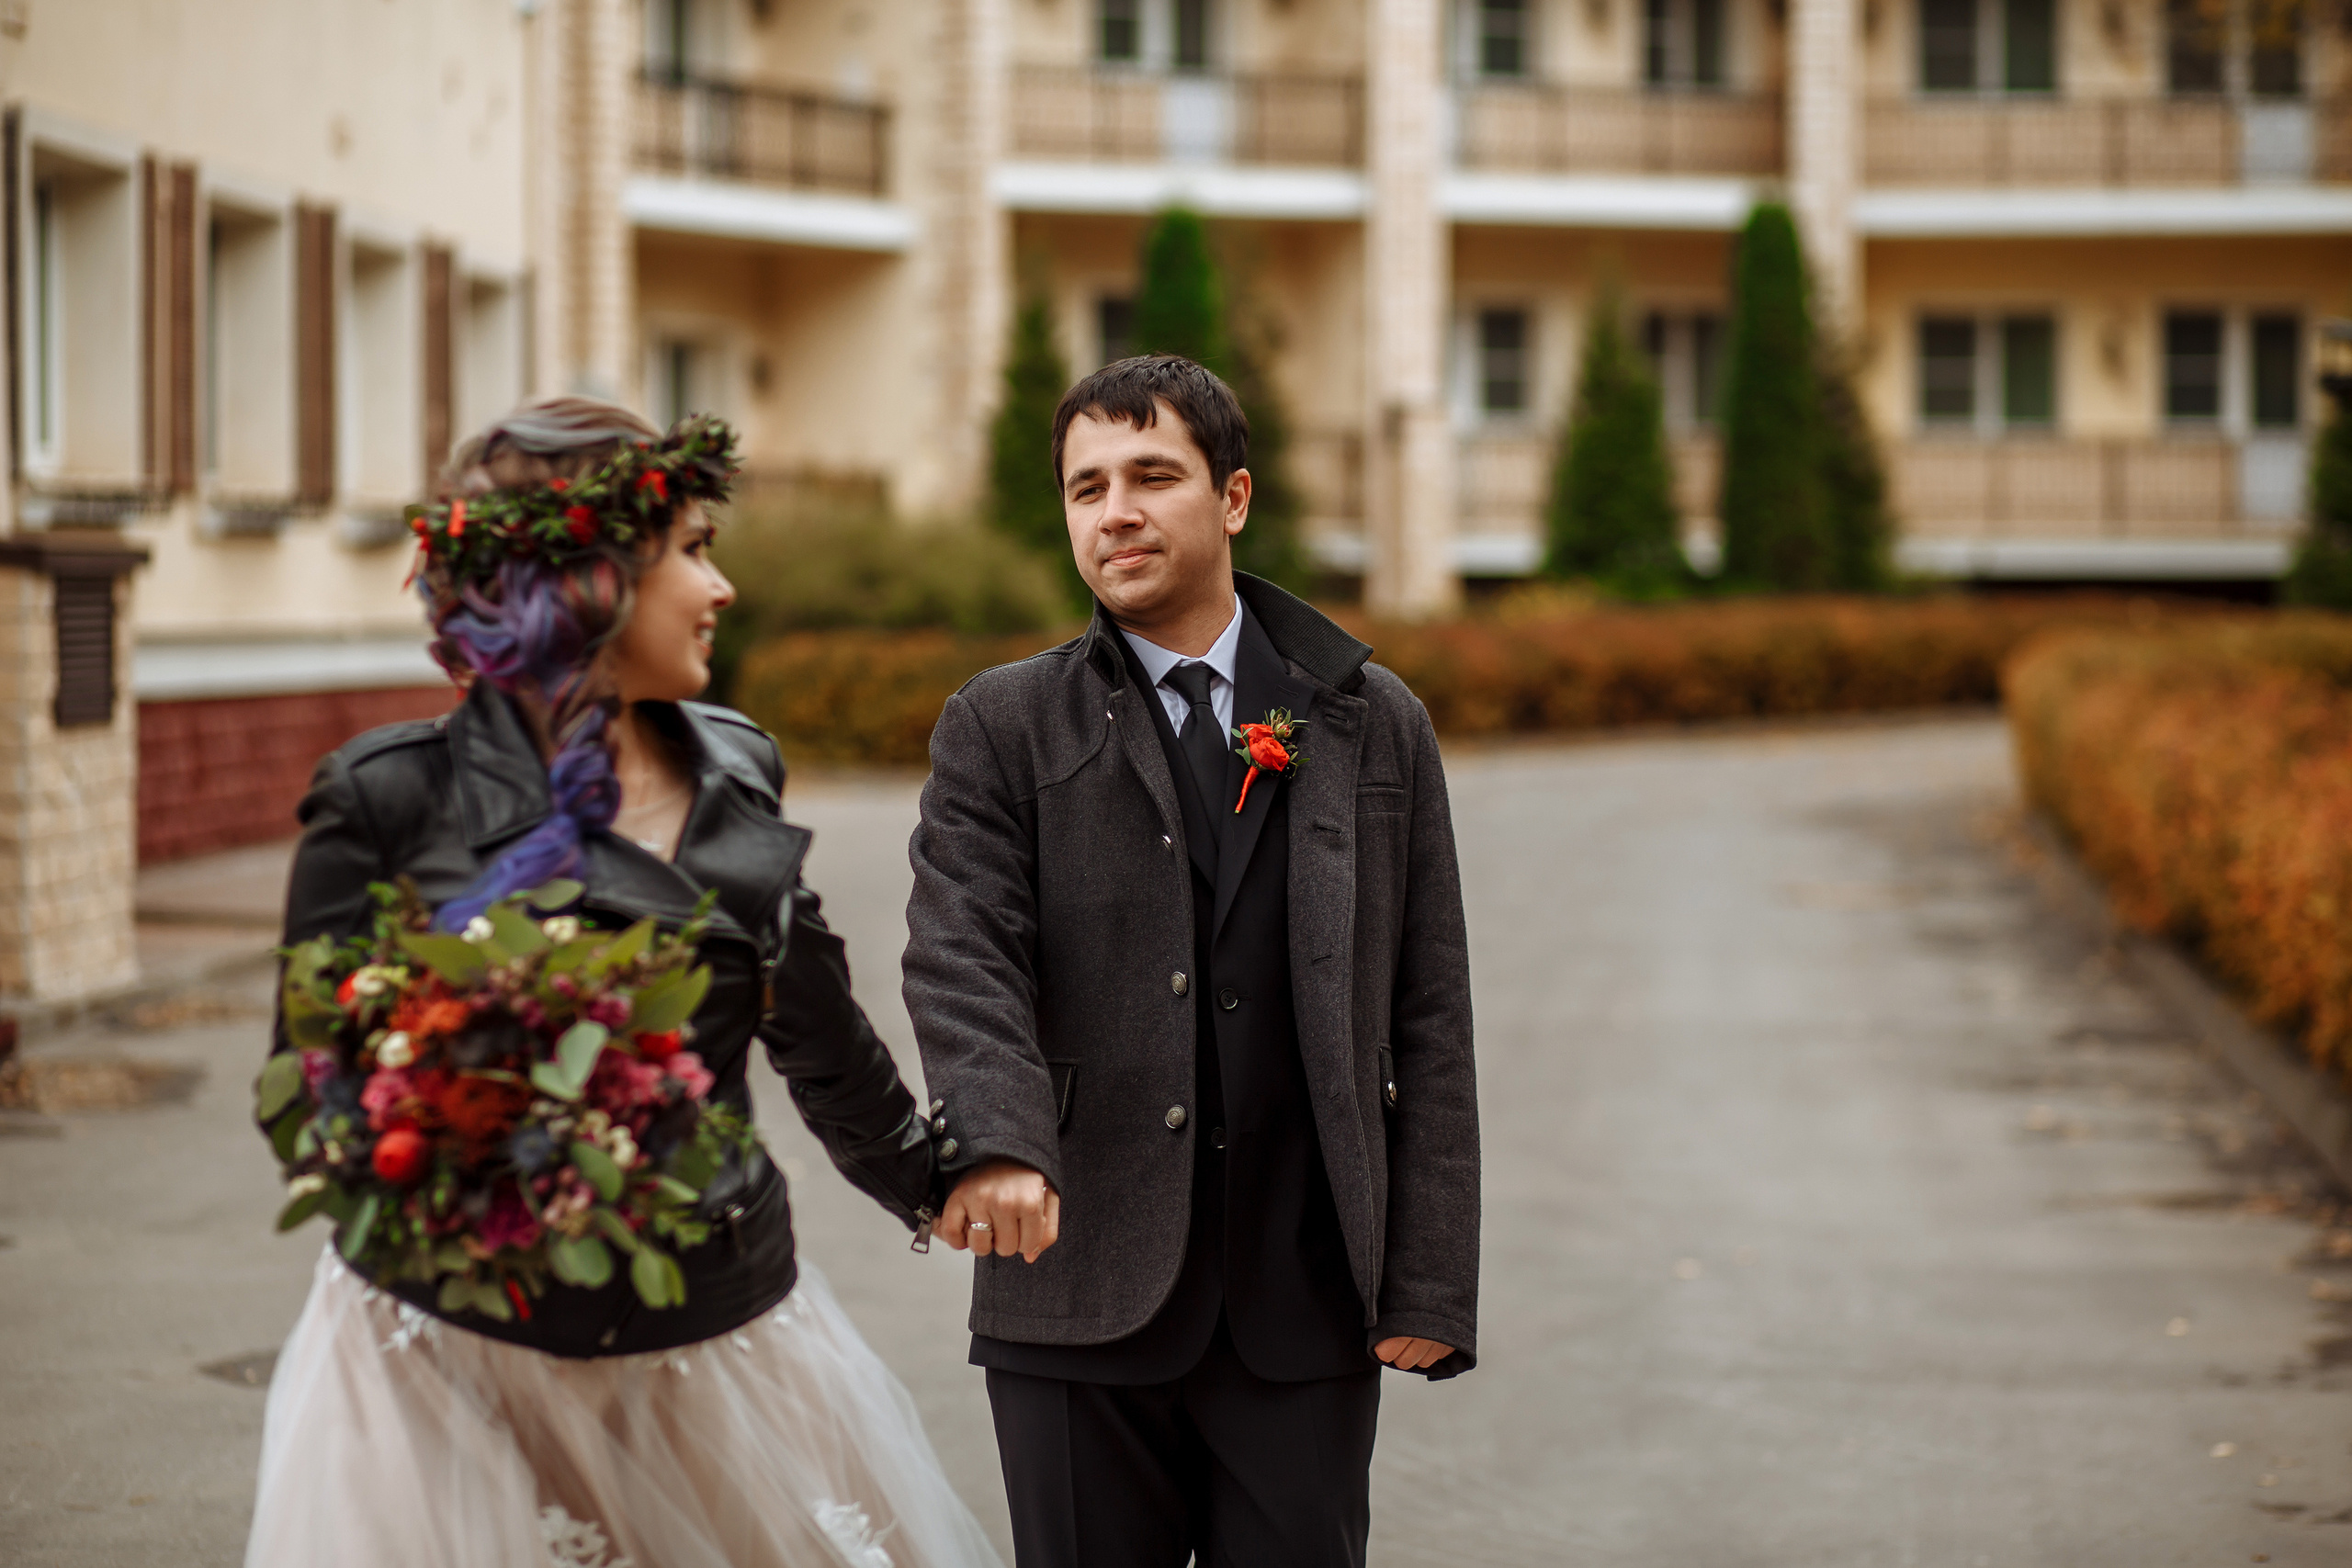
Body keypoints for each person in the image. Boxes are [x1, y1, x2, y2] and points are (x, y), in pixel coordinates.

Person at [245, 397, 1002, 1568]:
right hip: (454, 1356)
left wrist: (938, 1182)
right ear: (592, 580)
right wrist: (481, 1144)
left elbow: (812, 1026)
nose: (723, 588)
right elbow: (307, 1096)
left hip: (713, 1329)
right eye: (693, 552)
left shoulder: (738, 767)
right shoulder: (386, 801)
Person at [902, 355, 1481, 1567]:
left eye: (1152, 474)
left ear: (1233, 498)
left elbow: (1427, 1008)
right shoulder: (1002, 722)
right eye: (1086, 487)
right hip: (1074, 1292)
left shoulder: (1371, 719)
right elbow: (963, 955)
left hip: (1303, 1299)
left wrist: (1427, 1278)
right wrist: (998, 1139)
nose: (1115, 510)